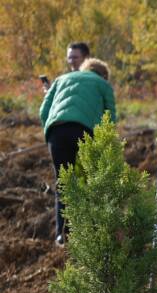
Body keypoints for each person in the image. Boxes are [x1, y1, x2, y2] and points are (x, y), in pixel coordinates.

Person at [39, 57, 116, 245]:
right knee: (90, 181)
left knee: (64, 182)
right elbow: (110, 118)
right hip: (85, 131)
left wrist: (49, 134)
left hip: (57, 132)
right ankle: (91, 233)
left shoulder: (61, 79)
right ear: (103, 75)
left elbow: (43, 111)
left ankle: (62, 235)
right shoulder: (103, 85)